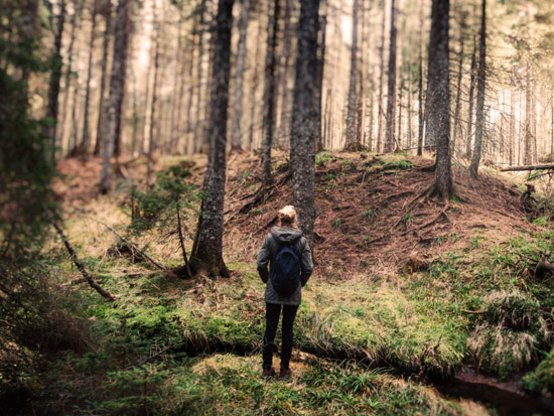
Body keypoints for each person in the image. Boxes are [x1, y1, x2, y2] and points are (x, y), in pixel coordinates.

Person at [256, 205, 313, 380]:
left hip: (273, 290)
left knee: (270, 327)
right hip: (292, 293)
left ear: (280, 220)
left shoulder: (270, 239)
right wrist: (299, 283)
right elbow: (308, 267)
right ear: (294, 220)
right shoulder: (302, 241)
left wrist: (268, 281)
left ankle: (266, 369)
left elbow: (260, 264)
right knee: (287, 329)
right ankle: (284, 370)